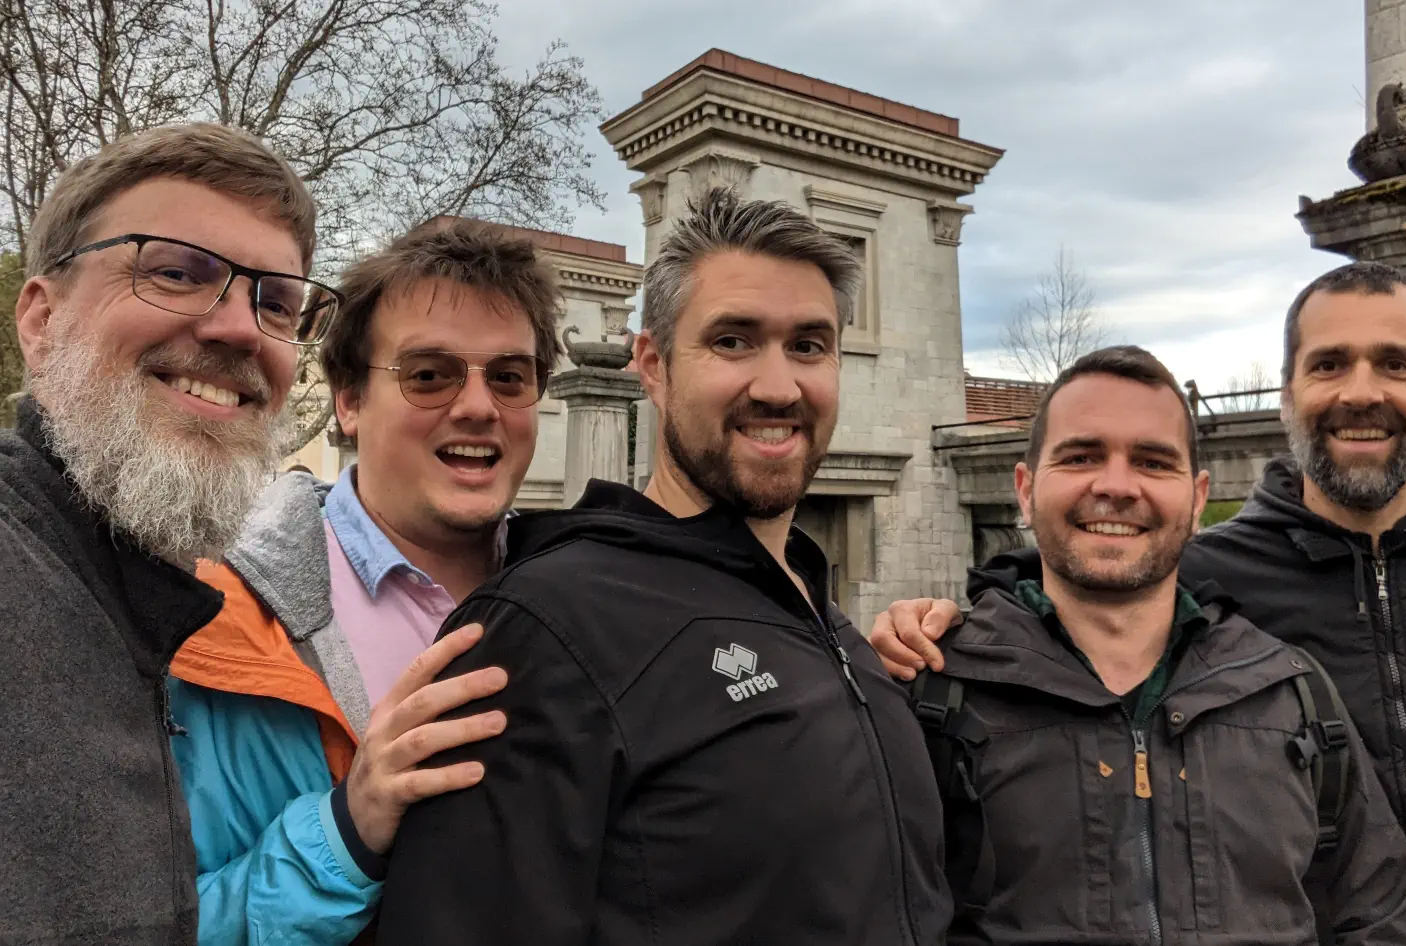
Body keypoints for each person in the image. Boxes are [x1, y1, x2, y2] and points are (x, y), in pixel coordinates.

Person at [871, 262, 1406, 945]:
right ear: (1289, 395)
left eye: (1395, 364)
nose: (1360, 392)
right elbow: (1089, 570)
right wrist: (948, 616)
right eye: (1329, 364)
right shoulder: (1204, 568)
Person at [375, 188, 951, 945]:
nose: (778, 386)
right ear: (652, 363)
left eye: (809, 345)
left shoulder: (824, 617)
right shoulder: (544, 627)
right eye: (734, 342)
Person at [909, 345, 1406, 944]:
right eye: (1081, 456)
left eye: (1153, 462)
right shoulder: (932, 697)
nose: (1117, 486)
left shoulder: (1292, 695)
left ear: (1198, 499)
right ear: (1025, 488)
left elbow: (1376, 908)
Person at [167, 218, 562, 943]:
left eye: (509, 376)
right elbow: (156, 921)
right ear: (348, 400)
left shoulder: (582, 594)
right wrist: (347, 833)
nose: (477, 406)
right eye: (429, 375)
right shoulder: (202, 618)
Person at [0, 123, 330, 944]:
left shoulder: (140, 593)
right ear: (41, 322)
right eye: (177, 273)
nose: (240, 329)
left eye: (277, 303)